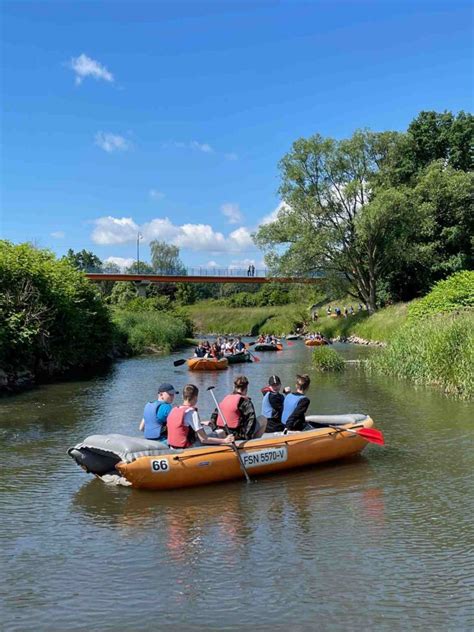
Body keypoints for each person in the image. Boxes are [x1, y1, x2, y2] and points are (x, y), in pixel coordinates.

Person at [167, 384, 235, 449]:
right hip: (188, 448)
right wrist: (225, 440)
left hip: (173, 447)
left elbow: (182, 424)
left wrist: (201, 423)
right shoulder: (192, 413)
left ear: (182, 396)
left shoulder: (174, 409)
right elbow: (204, 439)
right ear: (195, 397)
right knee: (221, 432)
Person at [211, 375, 267, 440]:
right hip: (237, 435)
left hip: (223, 433)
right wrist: (246, 436)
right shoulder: (245, 401)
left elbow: (213, 417)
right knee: (263, 419)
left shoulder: (225, 398)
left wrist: (215, 429)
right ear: (246, 388)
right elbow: (251, 420)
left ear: (234, 387)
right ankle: (253, 442)